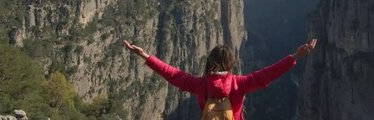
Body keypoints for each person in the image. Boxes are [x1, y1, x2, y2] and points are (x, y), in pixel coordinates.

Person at [123, 38, 317, 120]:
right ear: (231, 63)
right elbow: (268, 74)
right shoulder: (240, 84)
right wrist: (295, 57)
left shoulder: (200, 85)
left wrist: (146, 56)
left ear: (210, 62)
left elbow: (173, 74)